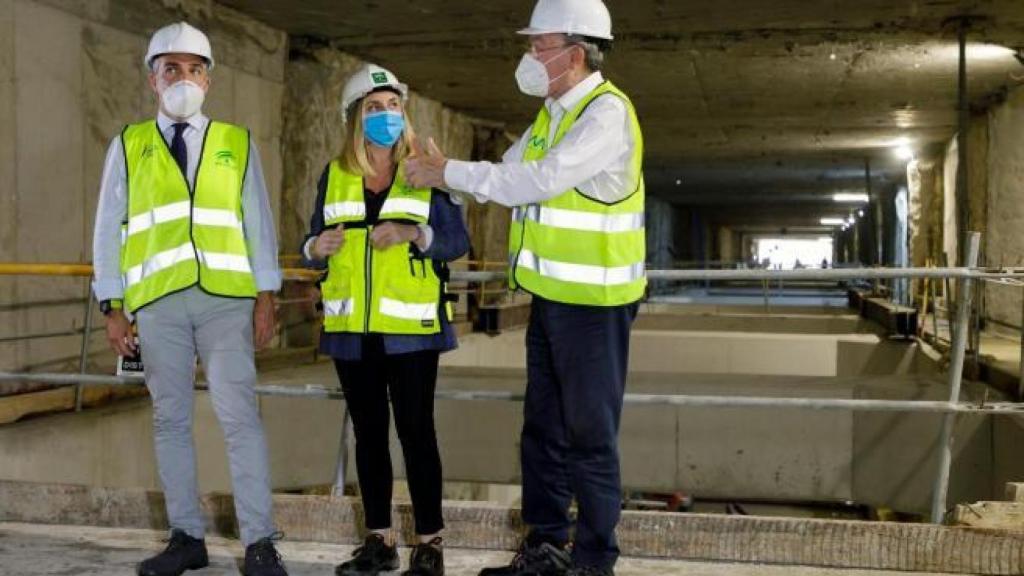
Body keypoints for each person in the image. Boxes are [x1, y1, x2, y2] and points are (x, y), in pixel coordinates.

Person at [405, 0, 644, 574]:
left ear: (576, 53)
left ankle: (593, 560)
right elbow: (506, 173)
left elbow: (536, 181)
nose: (530, 55)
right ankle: (545, 546)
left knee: (590, 438)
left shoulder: (605, 115)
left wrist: (452, 174)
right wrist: (448, 179)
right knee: (543, 429)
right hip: (551, 301)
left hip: (596, 306)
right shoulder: (553, 114)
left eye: (541, 45)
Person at [91, 21, 287, 576]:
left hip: (226, 301)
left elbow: (258, 223)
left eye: (195, 69)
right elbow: (108, 228)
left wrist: (266, 295)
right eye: (171, 68)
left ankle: (260, 542)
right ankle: (186, 538)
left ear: (209, 79)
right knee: (169, 420)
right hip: (157, 305)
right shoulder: (128, 145)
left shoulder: (236, 142)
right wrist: (112, 305)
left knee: (239, 417)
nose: (184, 78)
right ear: (153, 80)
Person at [301, 64, 469, 576]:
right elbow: (311, 243)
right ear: (355, 117)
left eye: (393, 106)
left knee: (417, 432)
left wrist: (414, 235)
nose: (386, 115)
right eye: (374, 108)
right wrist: (315, 246)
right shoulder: (335, 174)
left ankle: (429, 542)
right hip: (352, 330)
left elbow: (457, 242)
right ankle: (379, 540)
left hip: (410, 331)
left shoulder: (424, 168)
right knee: (369, 434)